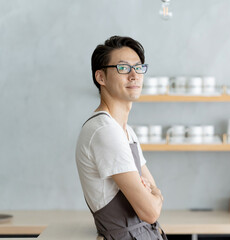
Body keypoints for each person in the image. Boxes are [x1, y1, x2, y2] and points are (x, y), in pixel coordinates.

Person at [76, 36, 167, 240]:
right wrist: (155, 195)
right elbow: (151, 211)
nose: (134, 75)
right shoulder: (104, 131)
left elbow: (152, 193)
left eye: (138, 67)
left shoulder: (124, 130)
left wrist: (153, 194)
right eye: (123, 68)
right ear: (101, 78)